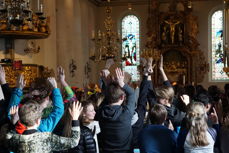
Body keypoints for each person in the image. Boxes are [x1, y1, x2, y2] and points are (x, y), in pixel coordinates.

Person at [5, 100, 82, 153]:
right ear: (38, 121)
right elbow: (74, 142)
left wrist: (13, 122)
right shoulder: (47, 138)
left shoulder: (15, 139)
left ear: (21, 120)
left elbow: (8, 136)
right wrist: (75, 119)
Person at [96, 68, 136, 153]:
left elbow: (107, 98)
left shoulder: (100, 112)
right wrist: (122, 83)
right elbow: (132, 93)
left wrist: (108, 84)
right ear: (122, 97)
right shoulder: (127, 113)